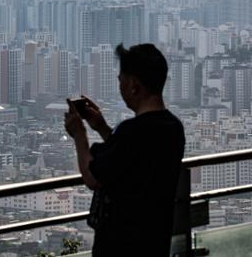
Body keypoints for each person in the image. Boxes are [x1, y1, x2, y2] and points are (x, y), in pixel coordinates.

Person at [64, 43, 185, 256]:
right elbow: (132, 156)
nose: (119, 87)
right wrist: (101, 127)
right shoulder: (173, 128)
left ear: (133, 85)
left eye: (120, 80)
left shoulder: (131, 132)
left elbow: (92, 176)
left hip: (121, 245)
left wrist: (79, 135)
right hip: (155, 241)